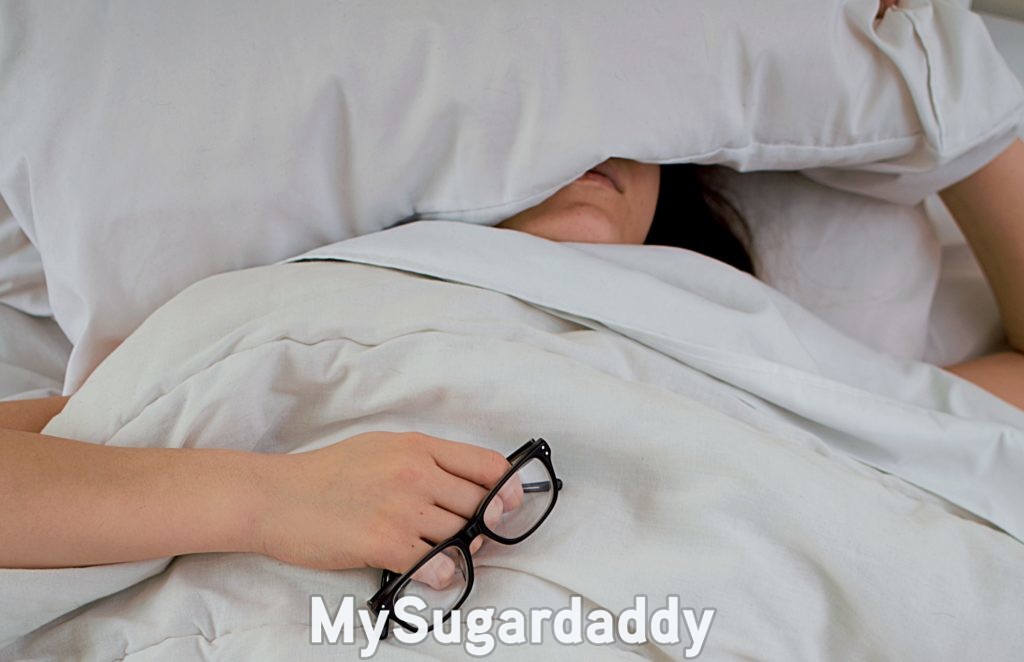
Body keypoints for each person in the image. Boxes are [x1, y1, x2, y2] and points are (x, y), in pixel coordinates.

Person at [3, 139, 1022, 578]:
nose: (594, 146)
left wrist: (943, 86)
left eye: (629, 121)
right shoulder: (310, 309)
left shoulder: (753, 348)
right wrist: (268, 500)